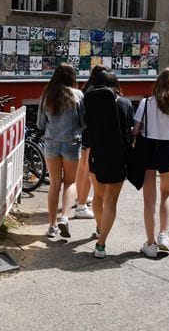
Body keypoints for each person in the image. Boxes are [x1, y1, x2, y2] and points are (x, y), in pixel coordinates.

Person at [133, 68, 169, 258]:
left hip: (148, 148)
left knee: (149, 199)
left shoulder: (146, 102)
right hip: (167, 149)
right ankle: (163, 236)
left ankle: (149, 244)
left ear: (158, 82)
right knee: (167, 194)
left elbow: (136, 130)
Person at [84, 70, 134, 258]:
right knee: (111, 201)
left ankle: (99, 227)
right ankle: (101, 244)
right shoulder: (125, 103)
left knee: (97, 195)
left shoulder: (89, 101)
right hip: (117, 158)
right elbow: (130, 131)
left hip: (96, 156)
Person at [37, 63, 85, 238]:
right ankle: (64, 216)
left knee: (54, 184)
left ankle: (52, 226)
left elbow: (40, 124)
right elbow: (83, 122)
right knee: (70, 182)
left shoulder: (46, 96)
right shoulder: (78, 95)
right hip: (72, 143)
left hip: (51, 143)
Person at [73, 66, 112, 222]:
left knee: (82, 168)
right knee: (88, 170)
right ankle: (81, 206)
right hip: (92, 135)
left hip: (84, 133)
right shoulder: (99, 93)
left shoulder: (85, 90)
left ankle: (79, 198)